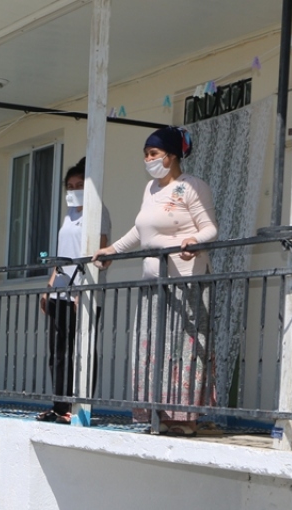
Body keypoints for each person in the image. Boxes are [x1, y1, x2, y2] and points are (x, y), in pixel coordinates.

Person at [94, 126, 218, 436]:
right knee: (155, 348)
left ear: (172, 155)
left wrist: (193, 241)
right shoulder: (150, 189)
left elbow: (210, 229)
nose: (148, 159)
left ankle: (186, 419)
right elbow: (141, 231)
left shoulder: (191, 186)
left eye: (154, 153)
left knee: (184, 347)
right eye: (145, 155)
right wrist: (113, 249)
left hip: (186, 281)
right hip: (154, 284)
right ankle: (158, 414)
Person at [38, 157, 110, 424]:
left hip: (83, 293)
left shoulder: (97, 212)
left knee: (81, 352)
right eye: (70, 186)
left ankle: (80, 406)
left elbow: (99, 255)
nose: (74, 189)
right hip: (61, 291)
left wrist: (83, 291)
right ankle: (60, 406)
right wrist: (49, 288)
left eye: (79, 185)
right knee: (58, 353)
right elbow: (62, 255)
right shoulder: (69, 215)